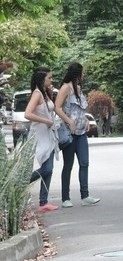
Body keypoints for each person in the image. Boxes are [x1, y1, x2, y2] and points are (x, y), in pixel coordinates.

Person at [54, 62, 100, 207]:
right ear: (77, 73)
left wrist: (86, 119)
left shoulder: (78, 89)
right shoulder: (65, 88)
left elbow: (80, 110)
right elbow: (57, 107)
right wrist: (68, 121)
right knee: (68, 165)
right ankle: (65, 198)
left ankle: (85, 195)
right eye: (82, 72)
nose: (83, 75)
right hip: (69, 132)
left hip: (81, 132)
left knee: (84, 162)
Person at [25, 66, 59, 212]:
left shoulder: (45, 93)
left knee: (49, 169)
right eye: (49, 78)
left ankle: (43, 202)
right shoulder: (37, 94)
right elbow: (28, 114)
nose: (51, 80)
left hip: (49, 134)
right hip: (40, 134)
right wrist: (45, 121)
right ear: (42, 79)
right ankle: (20, 184)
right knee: (47, 168)